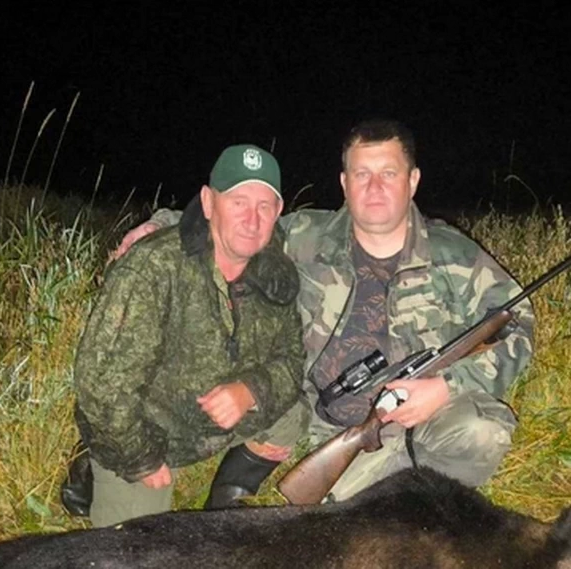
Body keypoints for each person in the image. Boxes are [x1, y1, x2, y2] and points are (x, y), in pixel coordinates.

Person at [103, 119, 535, 503]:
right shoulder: (306, 235)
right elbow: (236, 226)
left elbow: (518, 323)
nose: (375, 187)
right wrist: (160, 225)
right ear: (344, 182)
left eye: (389, 173)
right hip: (302, 415)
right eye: (362, 174)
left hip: (413, 423)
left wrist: (445, 387)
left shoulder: (456, 256)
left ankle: (364, 491)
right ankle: (104, 464)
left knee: (483, 432)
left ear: (413, 180)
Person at [69, 143, 306, 527]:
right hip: (148, 430)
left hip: (211, 420)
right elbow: (101, 385)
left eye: (264, 206)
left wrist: (250, 390)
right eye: (238, 202)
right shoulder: (154, 267)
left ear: (278, 211)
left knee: (293, 415)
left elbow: (292, 362)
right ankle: (94, 464)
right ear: (208, 203)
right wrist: (139, 458)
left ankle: (223, 506)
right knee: (134, 545)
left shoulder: (275, 271)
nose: (252, 219)